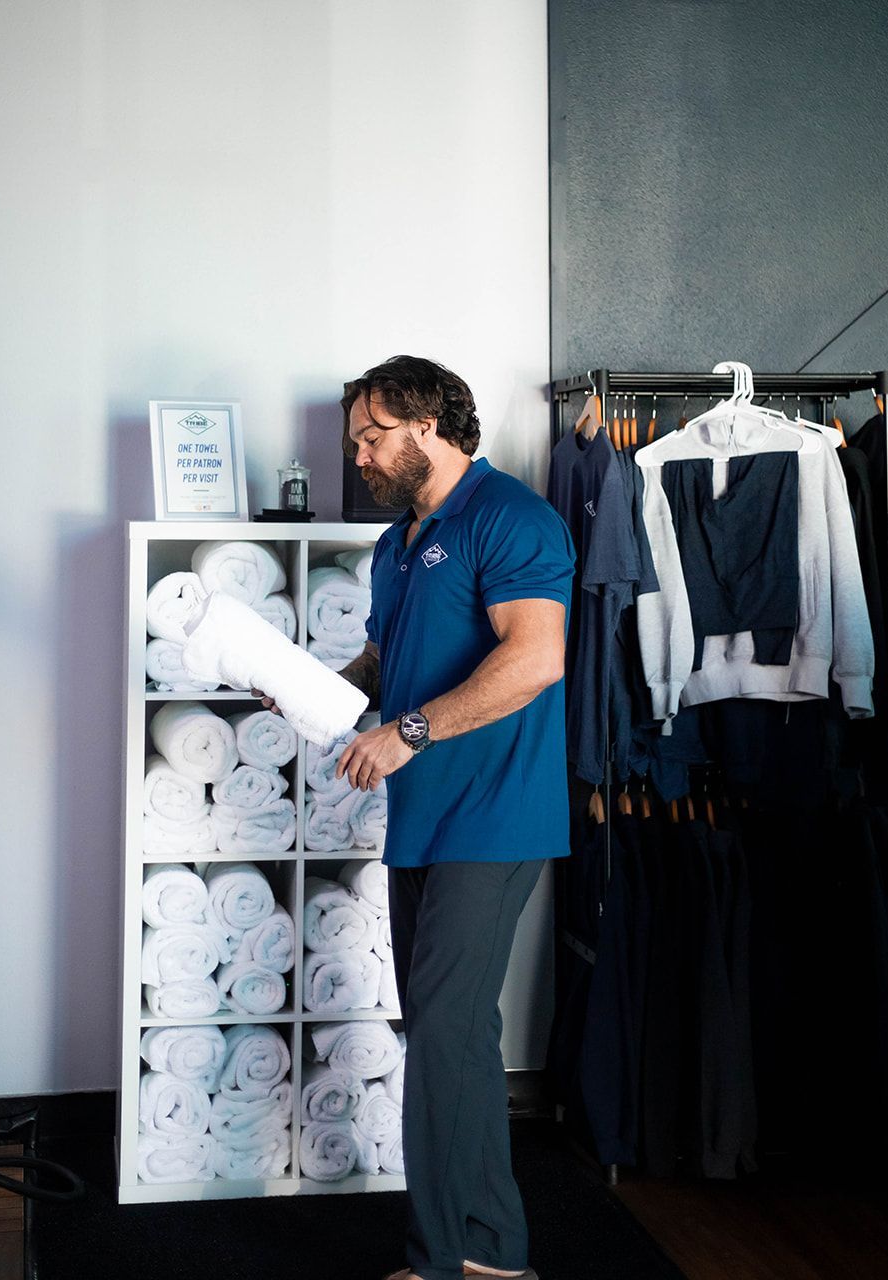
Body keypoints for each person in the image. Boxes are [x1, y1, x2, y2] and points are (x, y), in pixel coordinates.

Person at [336, 355, 575, 1280]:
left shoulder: (511, 517)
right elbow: (382, 659)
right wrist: (317, 691)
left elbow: (535, 660)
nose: (360, 452)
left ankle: (446, 1259)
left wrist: (408, 730)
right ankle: (492, 1251)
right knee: (452, 1029)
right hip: (423, 818)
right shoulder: (398, 544)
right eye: (357, 436)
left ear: (426, 426)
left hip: (496, 817)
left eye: (372, 434)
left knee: (442, 1028)